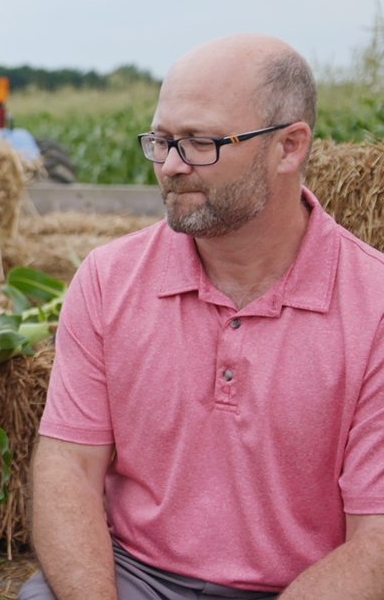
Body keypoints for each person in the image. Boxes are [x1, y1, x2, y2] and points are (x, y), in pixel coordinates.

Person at [21, 33, 384, 599]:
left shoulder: (375, 305)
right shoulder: (108, 278)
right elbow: (68, 465)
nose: (170, 166)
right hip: (136, 576)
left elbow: (375, 543)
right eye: (161, 141)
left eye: (198, 143)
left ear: (289, 147)